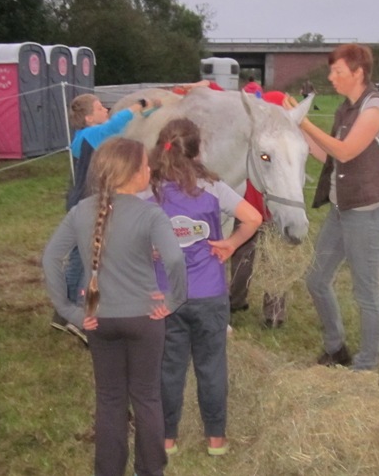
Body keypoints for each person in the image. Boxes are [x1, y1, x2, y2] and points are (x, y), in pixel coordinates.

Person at [42, 137, 187, 476]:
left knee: (109, 399)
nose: (150, 170)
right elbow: (175, 260)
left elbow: (50, 258)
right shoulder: (151, 214)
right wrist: (173, 300)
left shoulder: (81, 211)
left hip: (98, 319)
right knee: (147, 397)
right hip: (145, 318)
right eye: (146, 165)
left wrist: (69, 310)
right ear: (134, 173)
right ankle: (150, 470)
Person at [144, 118, 262, 457]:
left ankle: (167, 439)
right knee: (211, 366)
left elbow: (125, 231)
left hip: (166, 296)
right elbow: (253, 217)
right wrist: (231, 244)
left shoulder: (148, 190)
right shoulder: (213, 187)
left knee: (168, 368)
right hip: (209, 294)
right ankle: (216, 439)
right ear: (198, 152)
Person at [285, 43, 379, 371]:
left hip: (367, 212)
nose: (331, 77)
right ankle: (336, 348)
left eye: (337, 71)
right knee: (316, 280)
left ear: (358, 73)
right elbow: (331, 157)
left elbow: (345, 151)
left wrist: (305, 123)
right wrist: (293, 130)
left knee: (365, 293)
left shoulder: (374, 108)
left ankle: (366, 364)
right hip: (340, 208)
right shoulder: (345, 109)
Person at [51, 93, 159, 340]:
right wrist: (141, 105)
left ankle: (62, 312)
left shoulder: (82, 137)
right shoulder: (92, 134)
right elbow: (115, 125)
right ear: (89, 118)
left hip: (79, 203)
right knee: (92, 262)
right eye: (100, 107)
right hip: (90, 204)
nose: (105, 110)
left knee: (78, 260)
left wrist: (149, 113)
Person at [229, 90, 288, 327]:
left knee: (243, 256)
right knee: (274, 261)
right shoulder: (284, 141)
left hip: (248, 208)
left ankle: (236, 300)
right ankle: (274, 313)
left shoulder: (253, 137)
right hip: (271, 209)